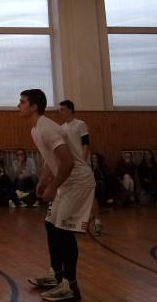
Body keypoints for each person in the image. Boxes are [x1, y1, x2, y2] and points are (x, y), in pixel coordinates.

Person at [20, 89, 95, 302]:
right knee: (51, 225)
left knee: (63, 231)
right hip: (66, 182)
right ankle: (56, 274)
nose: (19, 105)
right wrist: (43, 181)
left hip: (78, 182)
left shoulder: (47, 128)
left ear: (34, 106)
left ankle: (71, 286)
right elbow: (51, 159)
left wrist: (53, 187)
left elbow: (68, 162)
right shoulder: (36, 129)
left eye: (22, 102)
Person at [59, 100, 101, 234]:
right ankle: (77, 223)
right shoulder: (62, 128)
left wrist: (82, 162)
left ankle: (97, 221)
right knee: (72, 194)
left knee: (89, 193)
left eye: (63, 109)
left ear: (70, 110)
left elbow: (86, 144)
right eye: (60, 109)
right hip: (71, 166)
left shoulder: (80, 124)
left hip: (83, 165)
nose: (61, 112)